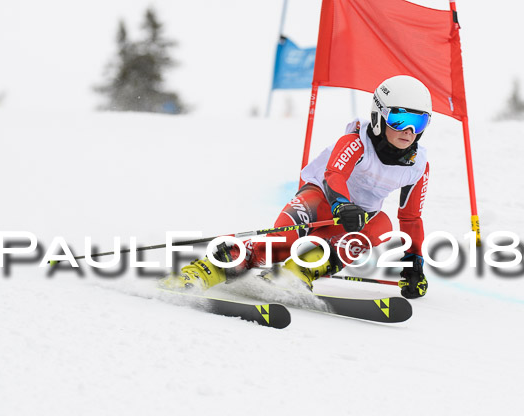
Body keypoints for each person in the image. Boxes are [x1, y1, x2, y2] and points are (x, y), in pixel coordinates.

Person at [161, 75, 431, 299]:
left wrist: (413, 262)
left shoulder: (418, 165)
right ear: (378, 116)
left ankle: (297, 272)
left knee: (381, 225)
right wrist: (341, 204)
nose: (408, 130)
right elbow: (334, 174)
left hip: (355, 220)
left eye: (419, 122)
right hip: (321, 201)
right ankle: (203, 271)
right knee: (280, 245)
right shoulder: (356, 140)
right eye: (399, 119)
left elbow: (410, 217)